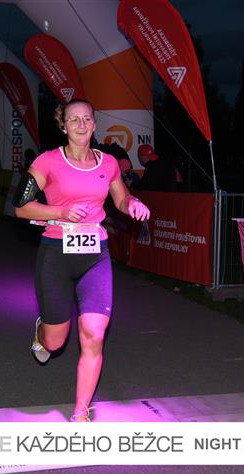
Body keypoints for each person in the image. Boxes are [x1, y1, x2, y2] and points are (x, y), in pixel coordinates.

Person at [13, 99, 150, 422]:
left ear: (94, 124)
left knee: (94, 333)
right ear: (63, 126)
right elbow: (21, 206)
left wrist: (132, 203)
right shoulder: (48, 161)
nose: (81, 124)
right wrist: (60, 211)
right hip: (56, 253)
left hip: (95, 253)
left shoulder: (109, 163)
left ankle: (81, 411)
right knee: (55, 342)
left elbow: (121, 197)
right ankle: (42, 332)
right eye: (74, 119)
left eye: (87, 118)